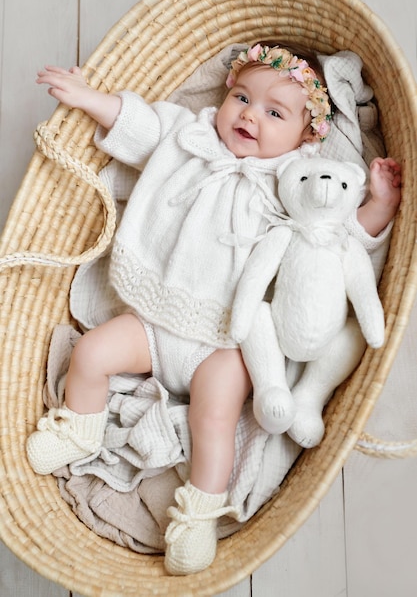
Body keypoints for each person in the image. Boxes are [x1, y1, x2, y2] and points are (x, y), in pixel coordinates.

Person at [26, 42, 401, 575]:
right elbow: (141, 125)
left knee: (215, 418)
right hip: (155, 318)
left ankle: (198, 513)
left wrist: (378, 206)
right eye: (243, 98)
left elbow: (332, 238)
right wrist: (90, 98)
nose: (250, 114)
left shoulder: (297, 182)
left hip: (225, 342)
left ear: (306, 136)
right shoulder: (191, 135)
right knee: (89, 352)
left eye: (275, 113)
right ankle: (80, 429)